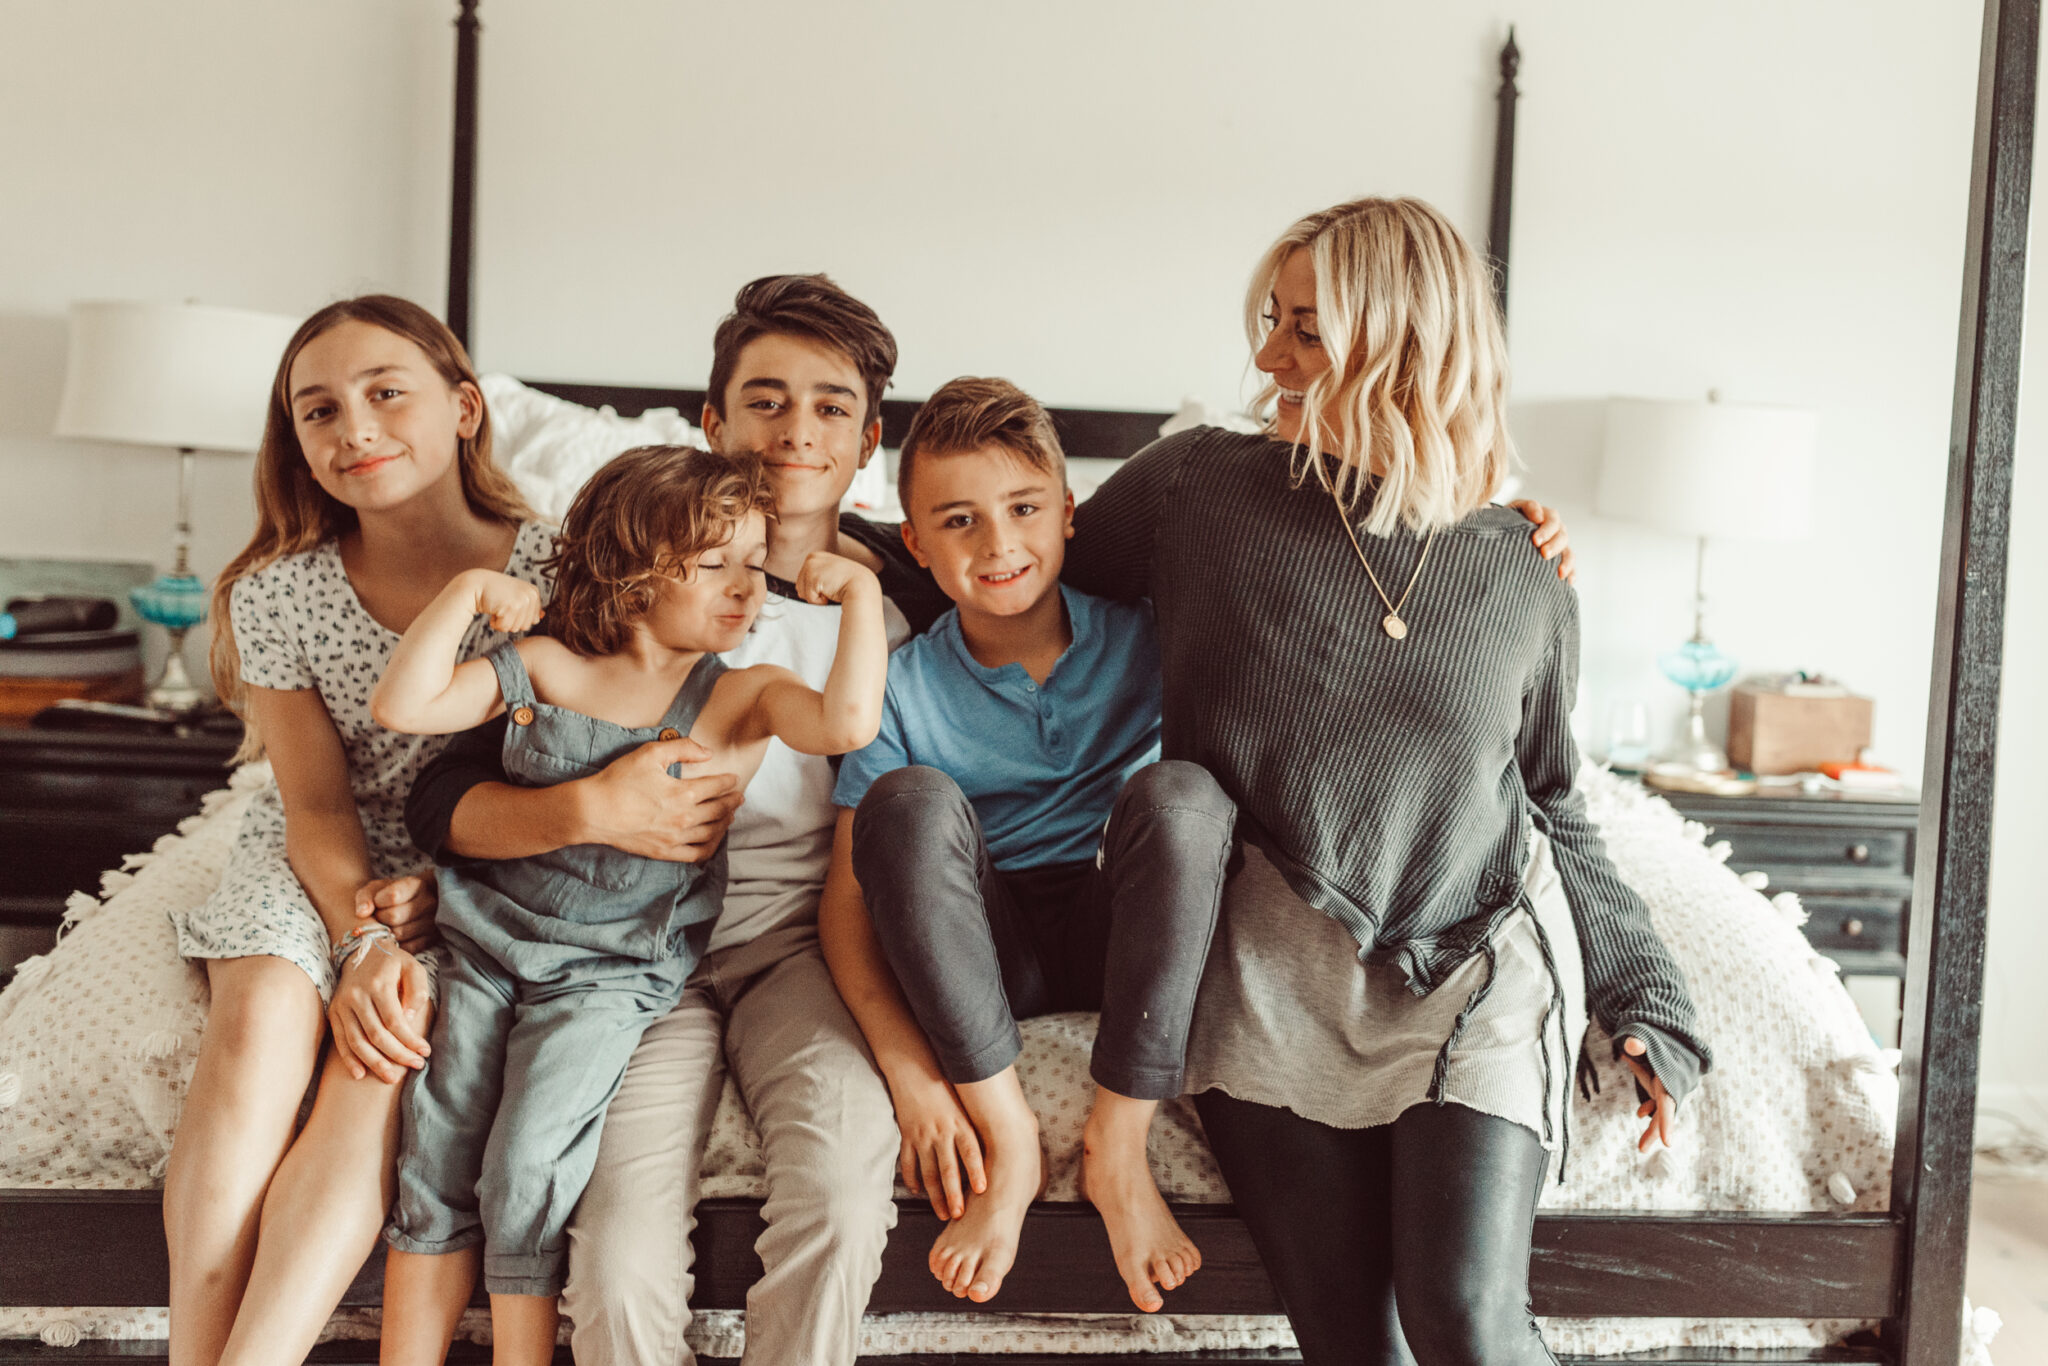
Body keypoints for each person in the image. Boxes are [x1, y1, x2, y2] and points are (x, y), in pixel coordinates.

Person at [403, 272, 1581, 1363]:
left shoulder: (905, 593)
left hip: (875, 941)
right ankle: (996, 1133)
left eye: (828, 408)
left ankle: (1108, 1142)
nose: (793, 433)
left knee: (850, 1173)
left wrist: (1493, 529)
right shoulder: (612, 571)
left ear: (868, 448)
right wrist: (466, 858)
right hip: (636, 950)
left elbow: (1322, 641)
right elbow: (448, 776)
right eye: (763, 402)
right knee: (612, 1240)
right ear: (706, 423)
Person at [1060, 196, 1712, 1366]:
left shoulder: (1521, 566)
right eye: (1273, 320)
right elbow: (1002, 571)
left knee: (1463, 1319)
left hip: (1470, 965)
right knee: (1357, 1346)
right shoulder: (1194, 490)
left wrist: (1643, 995)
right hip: (1266, 971)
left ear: (1405, 341)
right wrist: (821, 545)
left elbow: (1556, 798)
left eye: (1304, 329)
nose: (1266, 358)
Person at [370, 446, 887, 1365]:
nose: (749, 590)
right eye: (716, 562)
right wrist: (466, 594)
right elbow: (406, 707)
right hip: (487, 951)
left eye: (756, 564)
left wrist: (856, 603)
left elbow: (848, 725)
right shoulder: (542, 665)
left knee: (525, 1158)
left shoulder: (739, 695)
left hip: (613, 977)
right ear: (634, 564)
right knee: (439, 1148)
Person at [161, 295, 552, 1366]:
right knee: (259, 1026)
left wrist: (448, 889)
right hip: (323, 855)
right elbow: (318, 804)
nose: (354, 429)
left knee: (379, 1055)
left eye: (387, 393)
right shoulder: (275, 592)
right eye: (318, 411)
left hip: (485, 852)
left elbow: (579, 756)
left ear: (464, 407)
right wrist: (359, 938)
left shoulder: (560, 572)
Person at [828, 377, 1235, 1313]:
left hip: (1116, 931)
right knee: (907, 800)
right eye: (959, 521)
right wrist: (912, 1071)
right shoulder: (900, 684)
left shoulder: (1153, 641)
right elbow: (849, 906)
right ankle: (1013, 1148)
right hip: (984, 954)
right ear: (915, 543)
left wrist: (1498, 521)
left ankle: (1116, 1150)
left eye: (1022, 509)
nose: (999, 544)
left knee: (1183, 795)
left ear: (1068, 511)